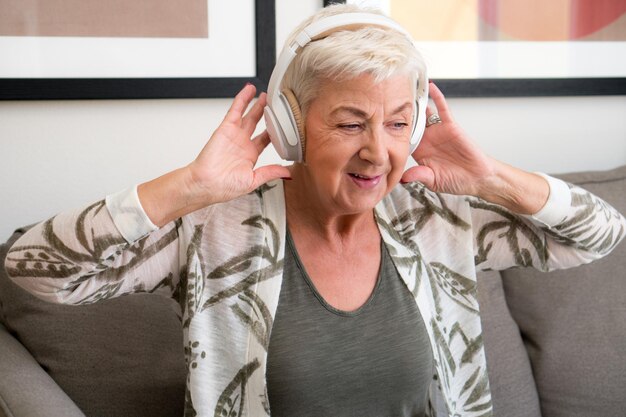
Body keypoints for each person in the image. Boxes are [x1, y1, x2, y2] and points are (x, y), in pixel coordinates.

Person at [4, 4, 625, 417]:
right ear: (290, 126)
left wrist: (489, 176)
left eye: (397, 124)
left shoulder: (440, 217)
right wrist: (188, 187)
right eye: (350, 122)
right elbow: (33, 272)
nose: (377, 151)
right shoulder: (217, 227)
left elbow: (600, 234)